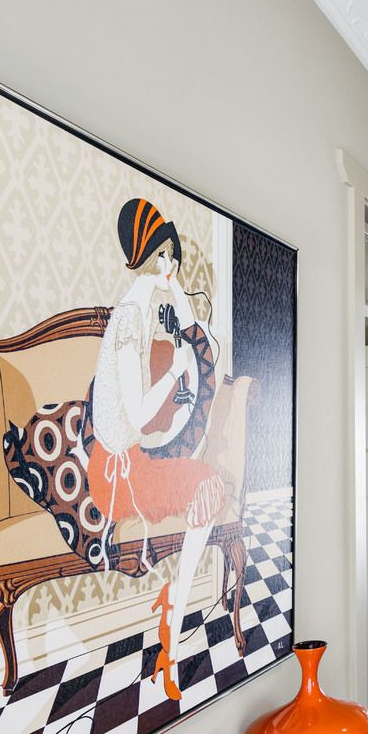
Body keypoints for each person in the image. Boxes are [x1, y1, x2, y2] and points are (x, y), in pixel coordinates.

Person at [86, 198, 227, 700]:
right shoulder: (128, 320)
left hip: (132, 461)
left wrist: (177, 296)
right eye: (160, 256)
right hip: (115, 475)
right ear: (141, 259)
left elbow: (193, 332)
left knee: (201, 474)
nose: (169, 266)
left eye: (172, 256)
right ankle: (174, 623)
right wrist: (174, 372)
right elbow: (140, 415)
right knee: (206, 485)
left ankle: (174, 606)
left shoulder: (143, 309)